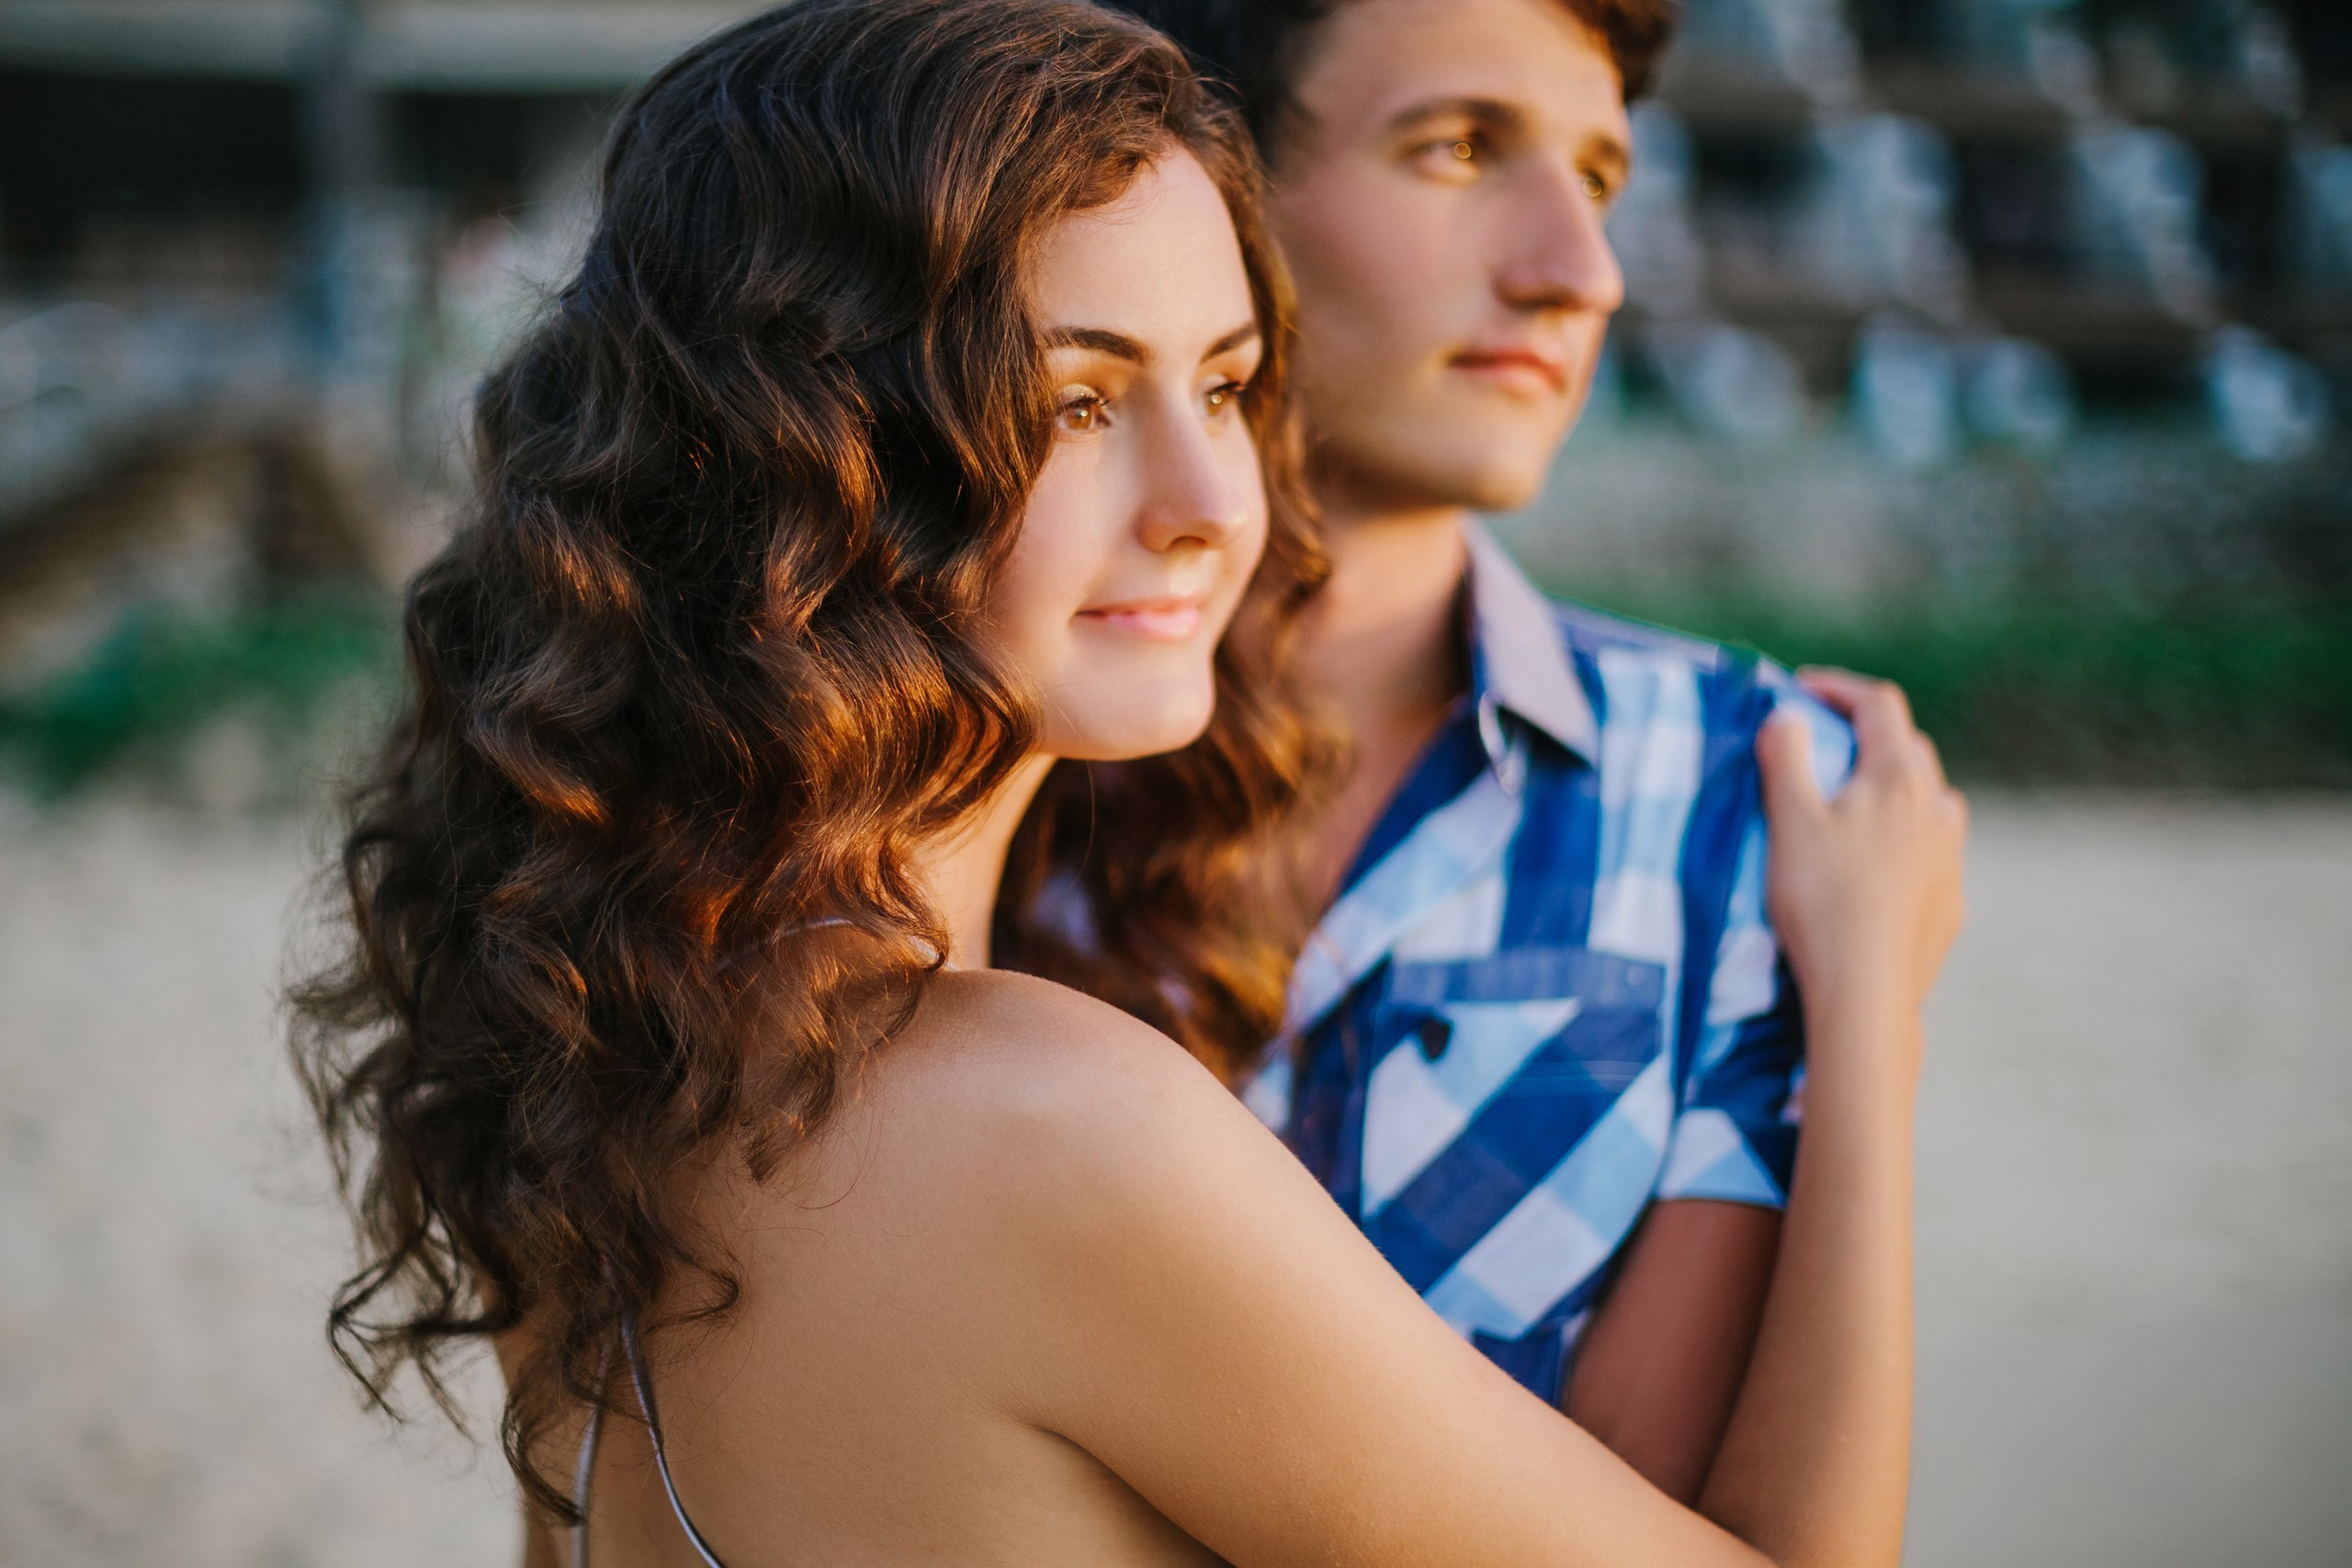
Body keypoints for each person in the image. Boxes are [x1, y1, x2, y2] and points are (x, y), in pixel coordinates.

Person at [291, 4, 1966, 1566]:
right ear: (821, 449)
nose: (1209, 502)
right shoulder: (1052, 1115)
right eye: (1080, 399)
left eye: (1229, 388)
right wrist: (1872, 1018)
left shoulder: (599, 1060)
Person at [1087, 0, 1859, 1499]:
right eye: (1457, 146)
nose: (1580, 274)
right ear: (1200, 182)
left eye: (1600, 180)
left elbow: (1669, 1505)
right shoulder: (961, 762)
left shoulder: (1742, 780)